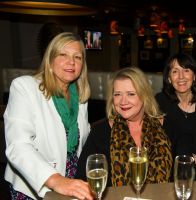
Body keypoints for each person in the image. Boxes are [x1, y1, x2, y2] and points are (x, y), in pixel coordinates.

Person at [4, 32, 93, 200]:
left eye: (78, 57)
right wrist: (56, 180)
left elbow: (84, 140)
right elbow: (18, 145)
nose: (71, 62)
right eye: (63, 55)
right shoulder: (25, 87)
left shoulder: (80, 97)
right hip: (34, 185)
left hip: (71, 183)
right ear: (50, 60)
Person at [76, 67, 173, 187]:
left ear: (144, 96)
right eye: (117, 94)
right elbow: (82, 178)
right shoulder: (100, 132)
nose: (123, 101)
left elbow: (181, 174)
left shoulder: (168, 127)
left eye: (131, 94)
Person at [155, 53, 196, 182]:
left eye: (186, 70)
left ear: (194, 76)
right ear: (168, 78)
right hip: (169, 175)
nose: (181, 77)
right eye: (175, 71)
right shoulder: (159, 102)